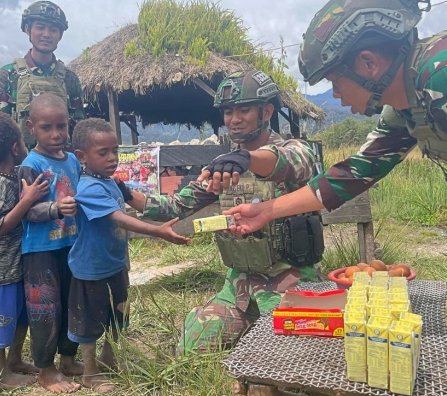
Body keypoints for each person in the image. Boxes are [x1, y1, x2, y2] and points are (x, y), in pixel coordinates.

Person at [224, 0, 447, 396]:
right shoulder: (408, 102)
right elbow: (351, 174)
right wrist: (267, 210)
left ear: (368, 64)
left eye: (335, 81)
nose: (334, 95)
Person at [142, 70, 322, 354]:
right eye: (228, 111)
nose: (234, 119)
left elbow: (292, 163)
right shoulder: (222, 167)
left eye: (244, 109)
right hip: (239, 288)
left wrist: (247, 158)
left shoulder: (294, 150)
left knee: (288, 357)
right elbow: (176, 207)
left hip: (290, 282)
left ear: (267, 111)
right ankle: (240, 324)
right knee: (190, 349)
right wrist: (125, 194)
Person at [68, 119, 189, 392]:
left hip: (115, 263)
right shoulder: (89, 189)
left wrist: (180, 205)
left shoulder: (111, 182)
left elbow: (141, 202)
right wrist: (158, 232)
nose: (112, 158)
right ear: (82, 156)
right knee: (89, 322)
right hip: (91, 268)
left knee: (119, 313)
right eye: (103, 153)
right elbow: (119, 218)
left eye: (115, 150)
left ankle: (109, 359)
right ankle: (89, 372)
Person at [0, 112, 49, 389]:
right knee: (0, 321)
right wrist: (27, 201)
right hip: (0, 269)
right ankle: (1, 374)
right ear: (16, 147)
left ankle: (15, 359)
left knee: (20, 316)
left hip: (15, 265)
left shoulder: (11, 176)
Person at [17, 93, 81, 393]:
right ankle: (45, 368)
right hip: (40, 250)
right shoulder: (32, 165)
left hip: (71, 245)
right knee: (45, 309)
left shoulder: (72, 161)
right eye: (46, 127)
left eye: (61, 126)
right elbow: (26, 209)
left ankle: (68, 359)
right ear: (32, 127)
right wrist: (55, 209)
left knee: (72, 303)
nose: (56, 134)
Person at [0, 0, 84, 149]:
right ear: (27, 29)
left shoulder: (69, 78)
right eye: (40, 27)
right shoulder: (9, 74)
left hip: (62, 160)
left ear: (60, 35)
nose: (46, 34)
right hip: (20, 162)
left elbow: (78, 130)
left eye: (53, 30)